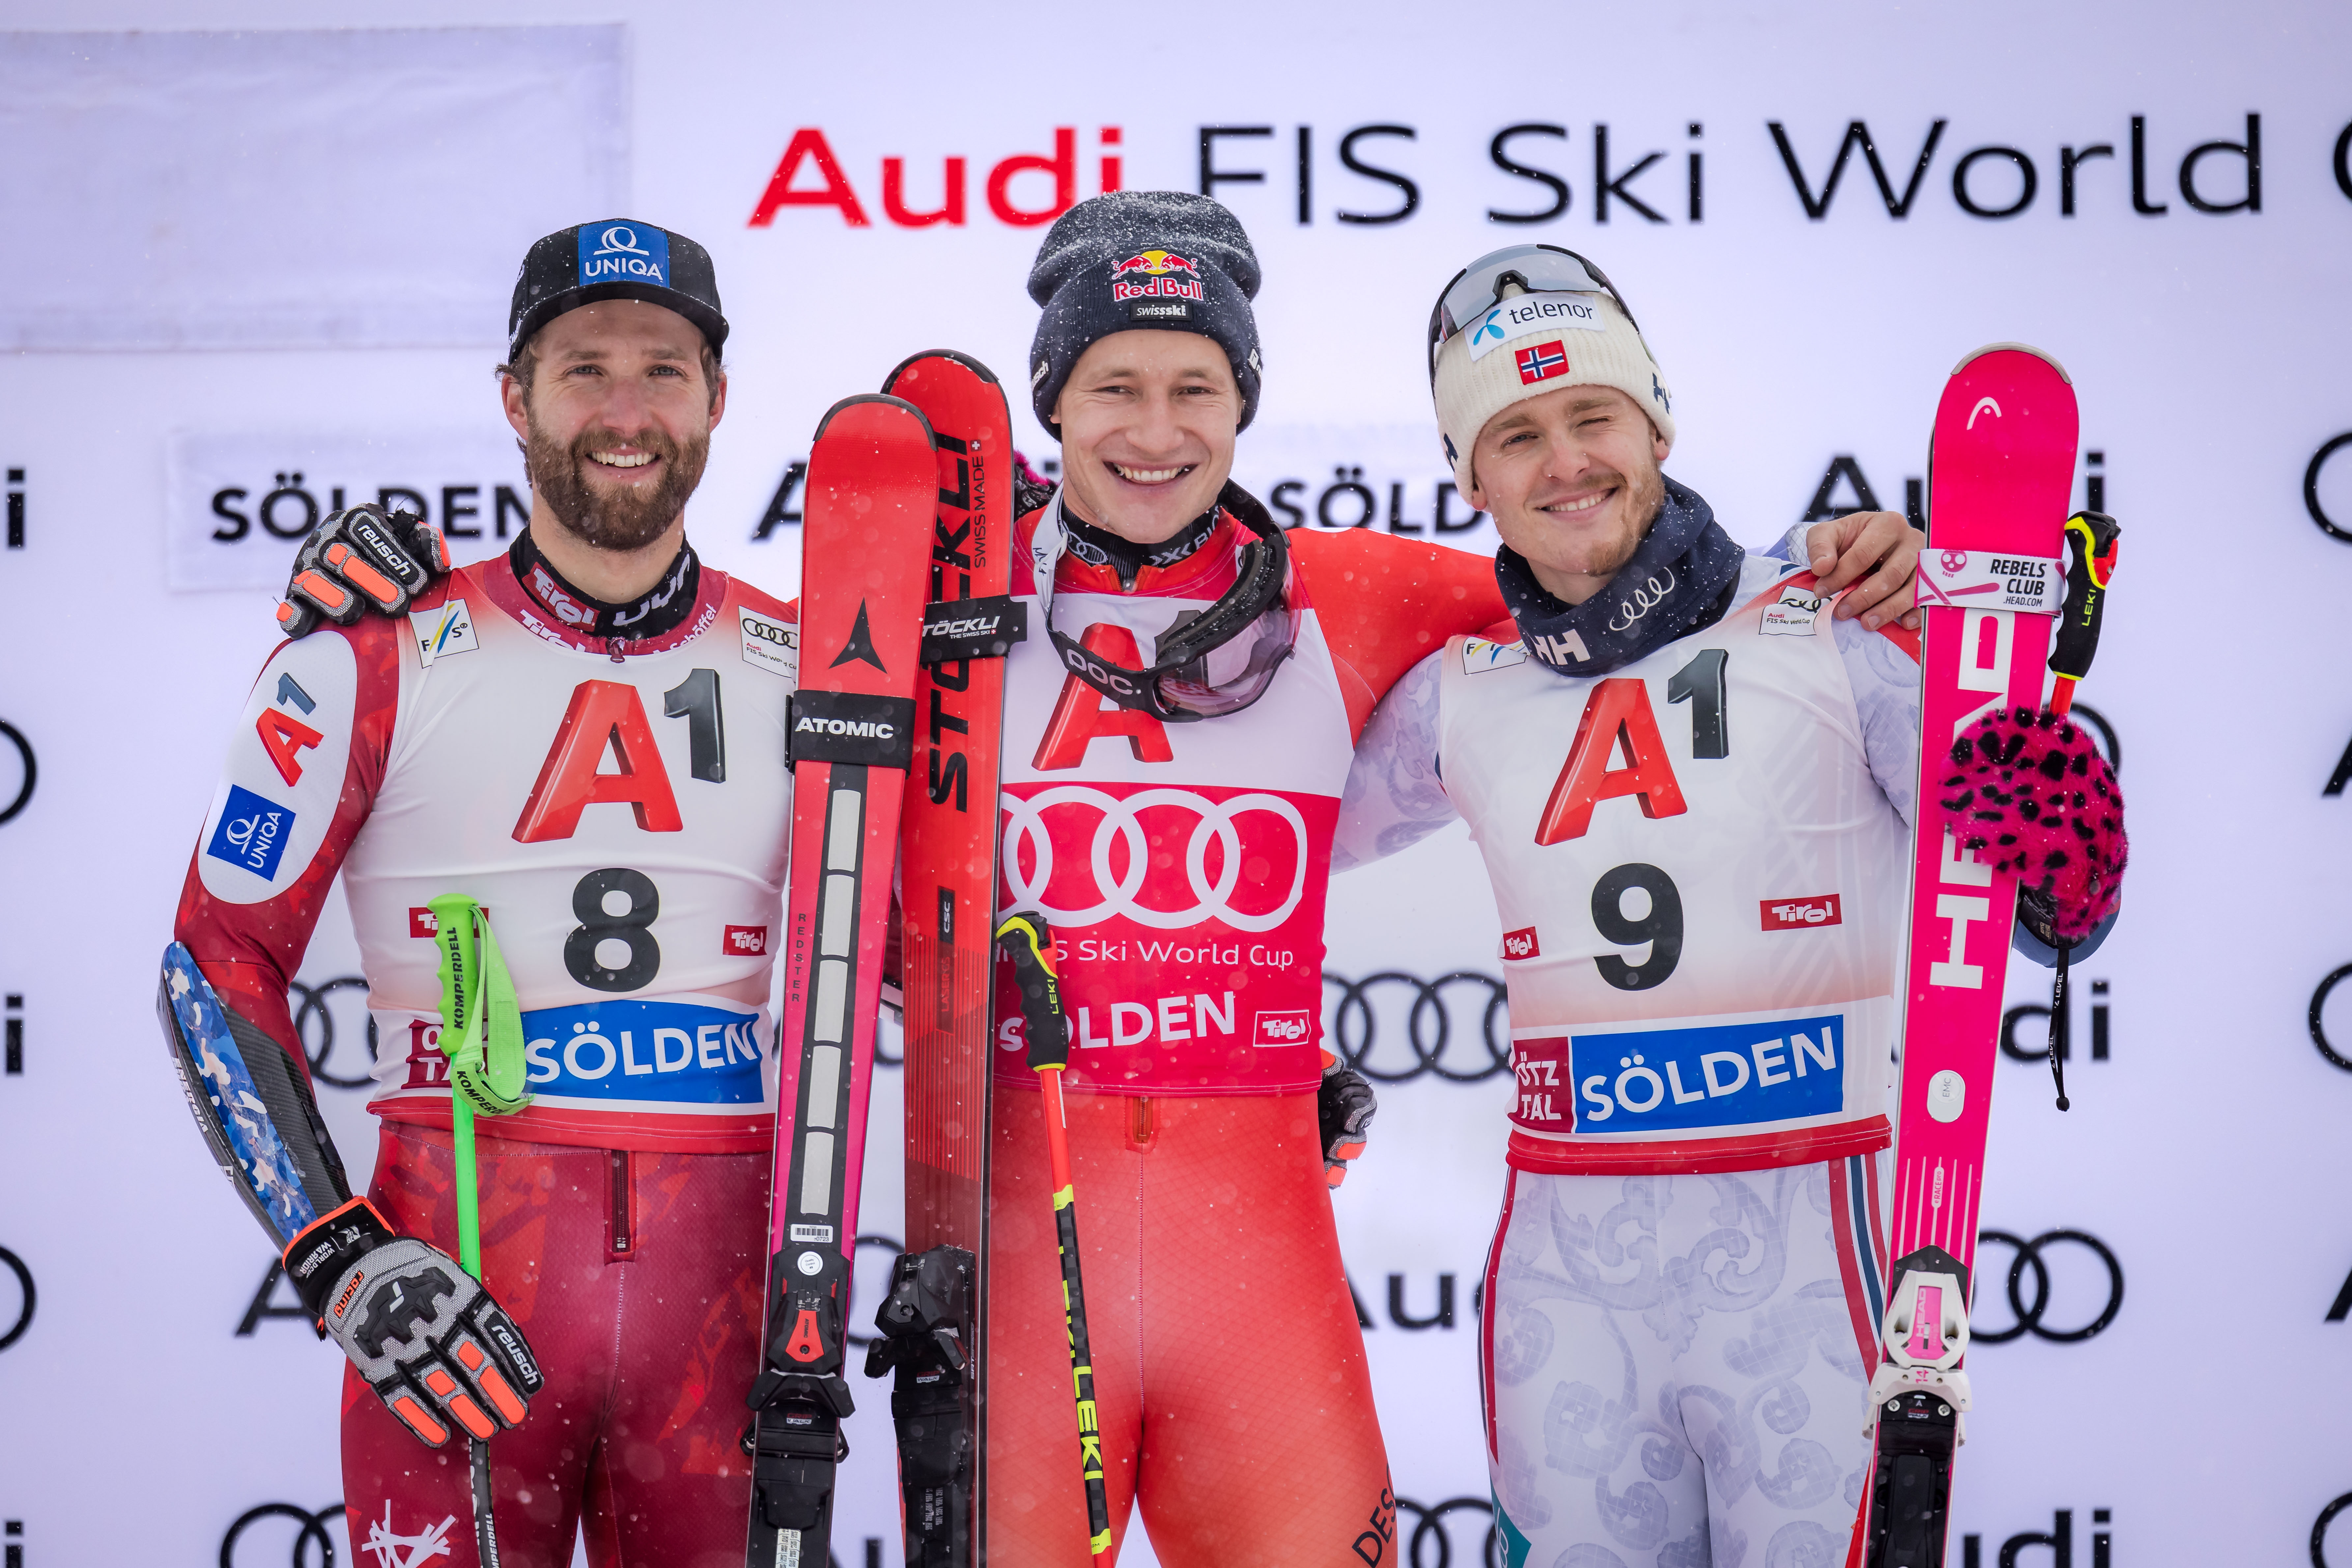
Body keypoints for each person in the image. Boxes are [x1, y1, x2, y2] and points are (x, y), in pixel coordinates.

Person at [263, 199, 1924, 1567]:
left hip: (1259, 1286)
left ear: (1244, 407)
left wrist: (1856, 568)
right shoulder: (942, 606)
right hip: (1017, 1268)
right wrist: (373, 582)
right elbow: (812, 838)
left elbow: (1612, 571)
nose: (1155, 428)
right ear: (1052, 406)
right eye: (1113, 385)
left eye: (1197, 386)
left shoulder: (1351, 597)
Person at [1331, 245, 2121, 1567]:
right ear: (1468, 478)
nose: (1565, 461)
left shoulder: (1838, 621)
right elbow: (1261, 855)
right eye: (1515, 435)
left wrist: (2060, 821)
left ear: (1658, 423)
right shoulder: (1454, 693)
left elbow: (2040, 910)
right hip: (1565, 1289)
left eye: (1594, 415)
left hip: (1818, 1259)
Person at [162, 220, 792, 1565]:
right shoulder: (368, 650)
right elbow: (212, 962)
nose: (625, 411)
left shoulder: (805, 666)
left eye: (664, 370)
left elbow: (922, 957)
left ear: (717, 399)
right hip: (449, 1296)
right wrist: (340, 1255)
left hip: (719, 1315)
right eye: (582, 369)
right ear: (515, 398)